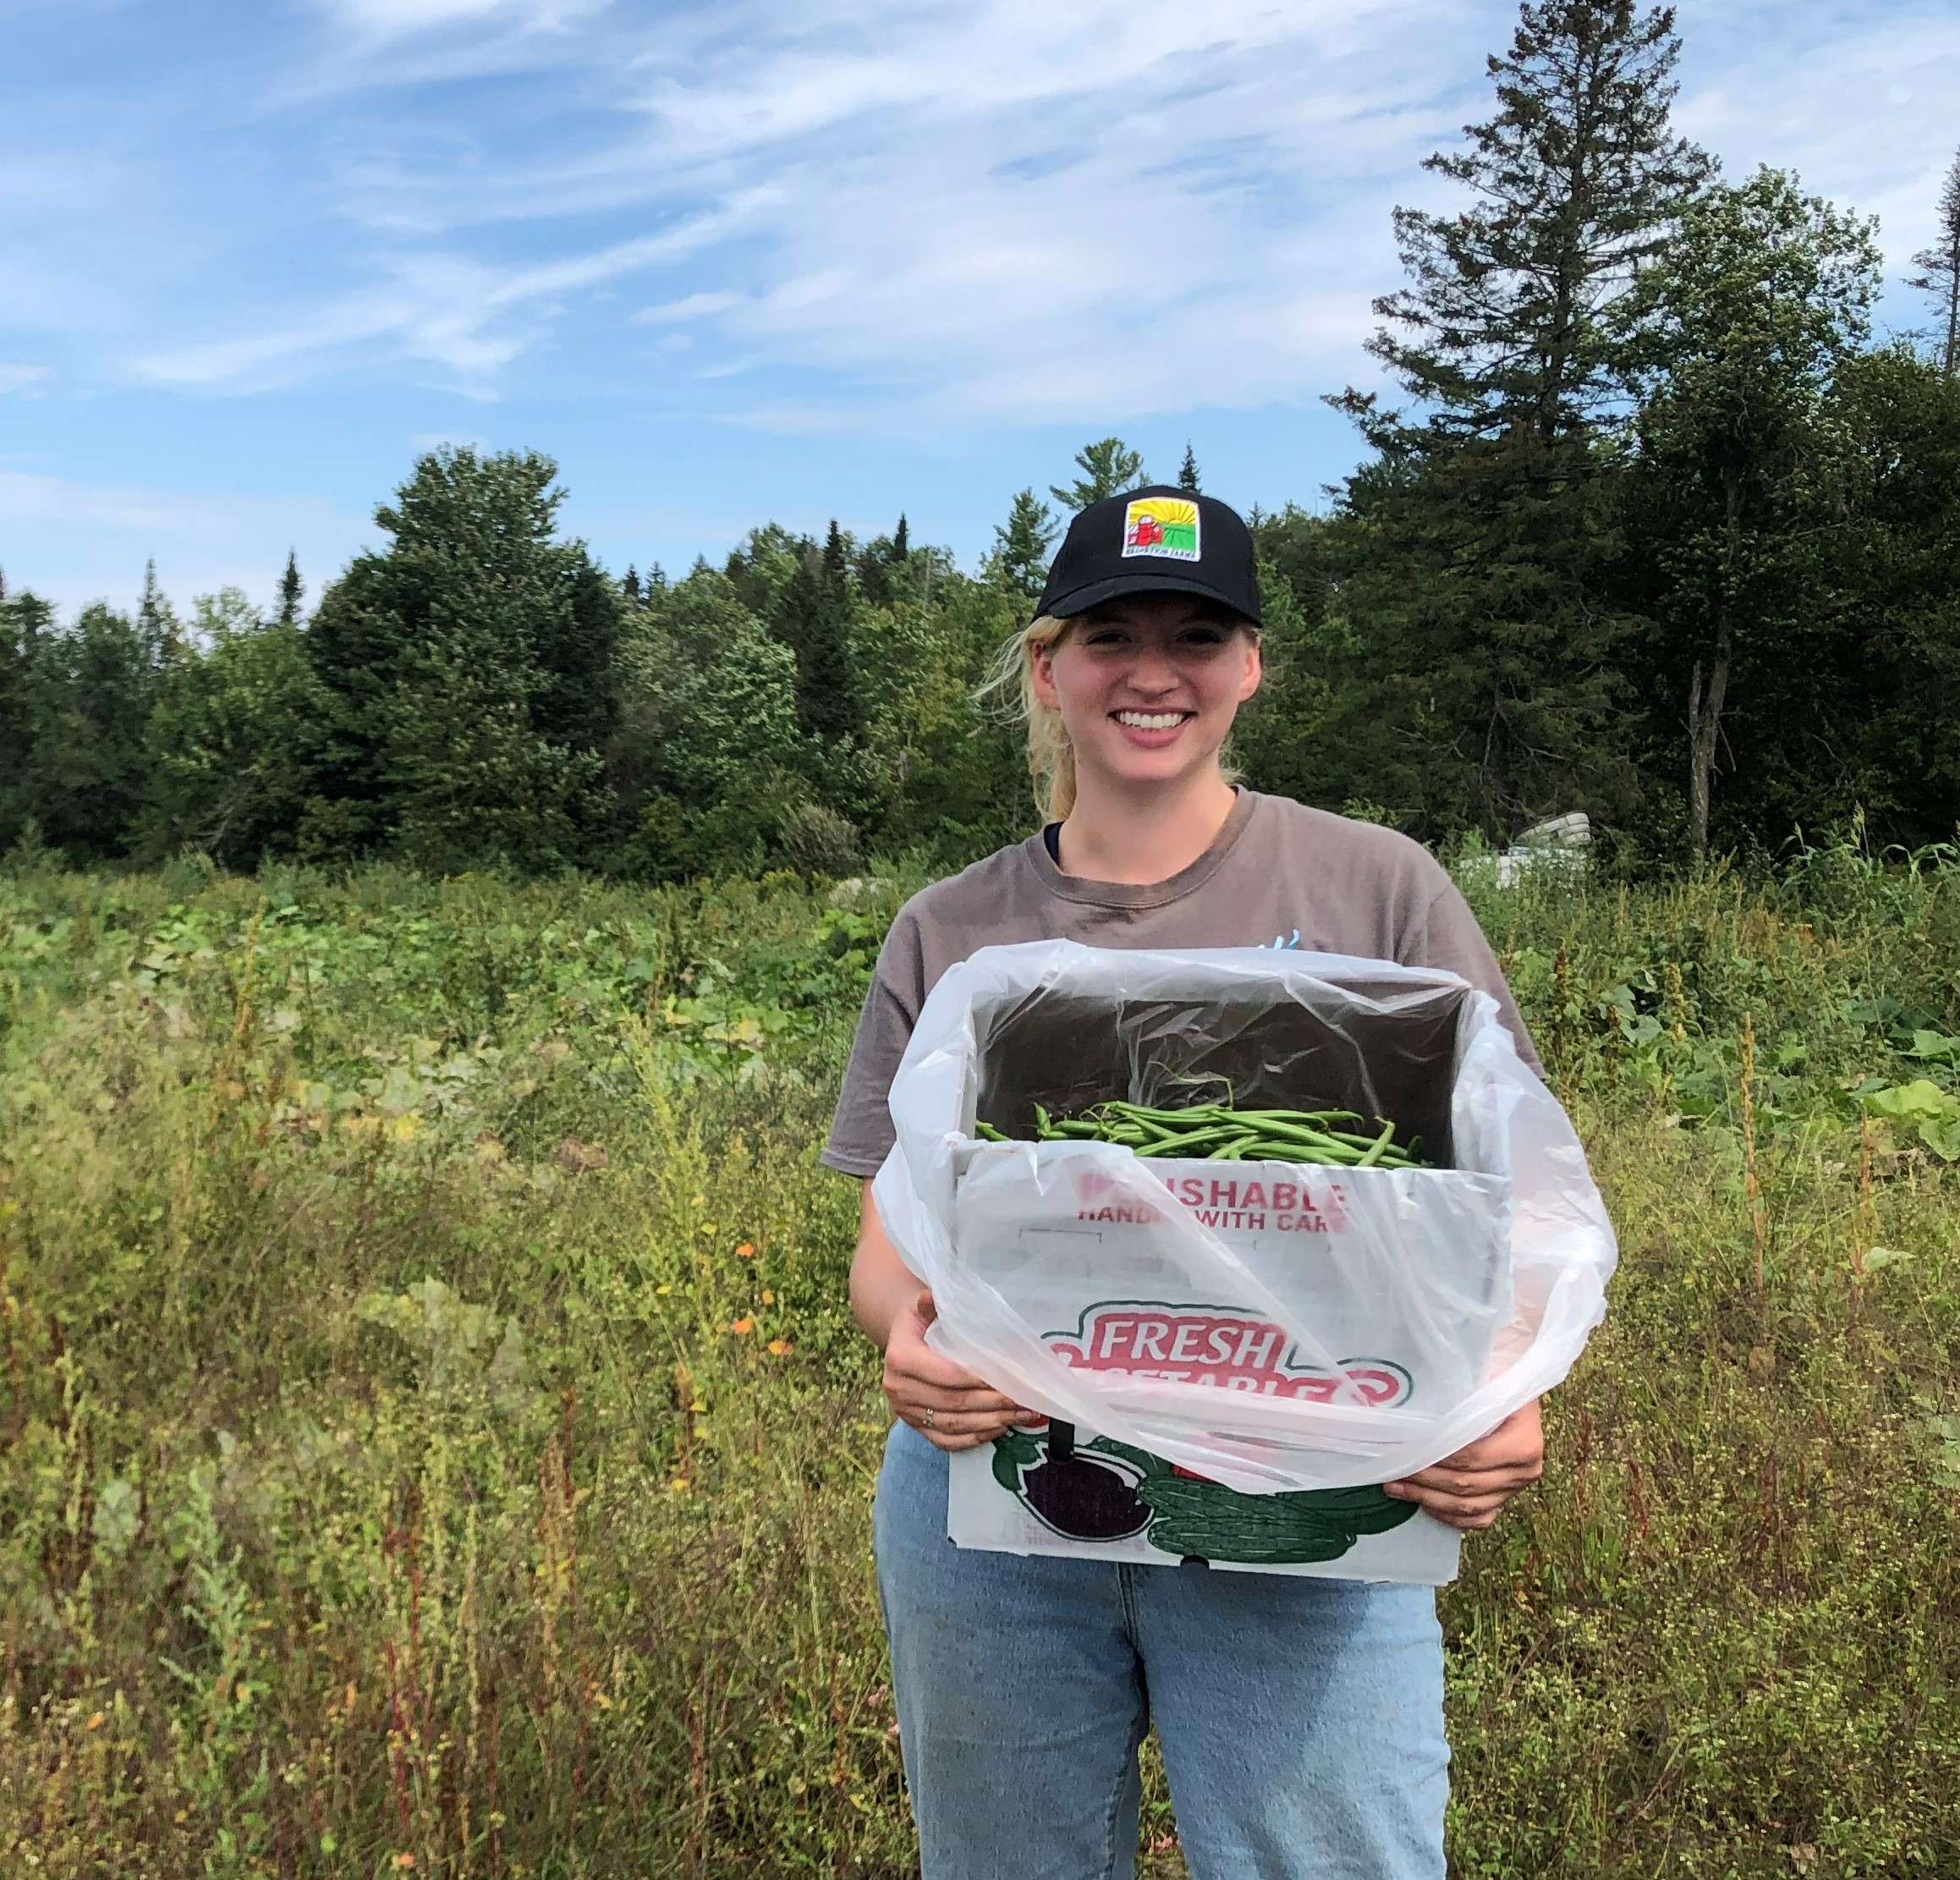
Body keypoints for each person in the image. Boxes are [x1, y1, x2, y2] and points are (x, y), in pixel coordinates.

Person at [821, 486, 1548, 1880]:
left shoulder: (1374, 889)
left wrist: (1507, 1393)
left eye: (1197, 633)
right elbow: (888, 1235)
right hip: (1002, 1493)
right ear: (1050, 666)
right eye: (1111, 634)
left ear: (1251, 664)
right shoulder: (955, 927)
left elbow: (1503, 1202)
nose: (1153, 670)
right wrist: (906, 1343)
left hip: (1313, 1493)